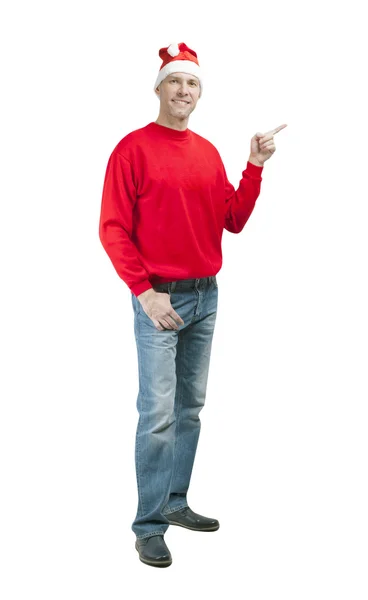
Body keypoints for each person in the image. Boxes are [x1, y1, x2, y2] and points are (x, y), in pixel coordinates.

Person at [99, 41, 287, 568]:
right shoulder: (132, 149)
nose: (185, 90)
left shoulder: (205, 151)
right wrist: (144, 291)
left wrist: (253, 166)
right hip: (158, 296)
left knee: (189, 409)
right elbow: (112, 229)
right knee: (157, 413)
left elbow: (232, 219)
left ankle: (176, 502)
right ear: (159, 88)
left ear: (199, 93)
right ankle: (149, 525)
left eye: (193, 84)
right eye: (176, 82)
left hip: (205, 295)